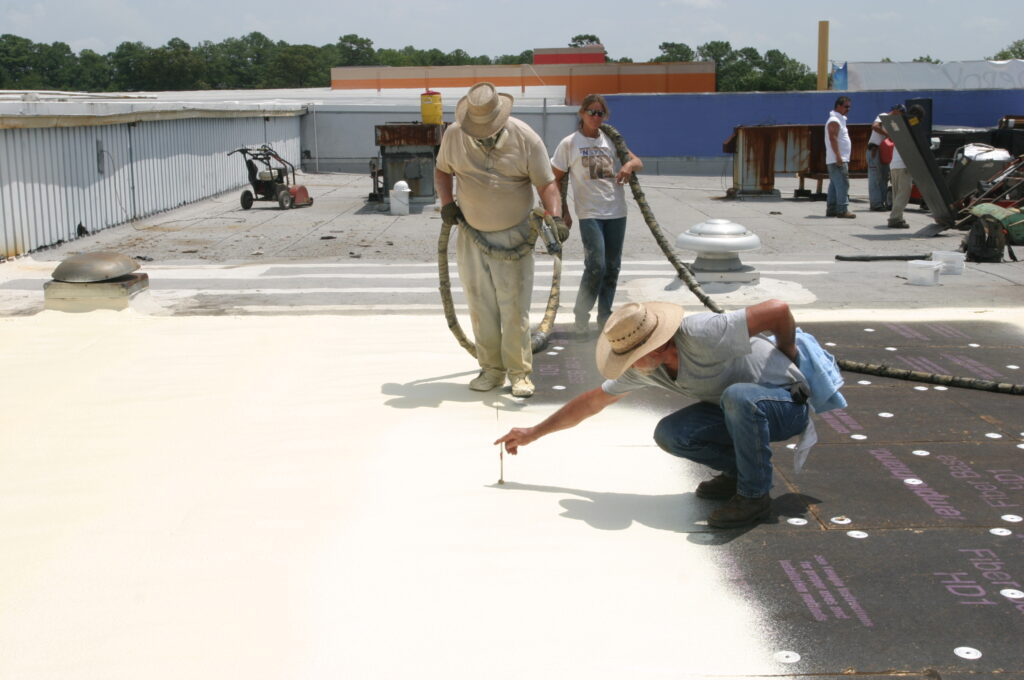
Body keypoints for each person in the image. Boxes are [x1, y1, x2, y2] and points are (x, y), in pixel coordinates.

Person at [495, 299, 845, 529]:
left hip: (786, 402)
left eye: (634, 357)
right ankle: (741, 473)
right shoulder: (644, 368)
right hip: (740, 409)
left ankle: (754, 498)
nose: (628, 366)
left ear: (660, 346)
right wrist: (533, 433)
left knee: (738, 397)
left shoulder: (703, 333)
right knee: (671, 433)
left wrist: (788, 352)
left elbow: (778, 310)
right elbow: (592, 401)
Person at [435, 82, 565, 398]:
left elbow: (546, 183)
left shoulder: (525, 138)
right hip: (471, 233)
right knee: (481, 304)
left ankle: (519, 373)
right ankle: (491, 369)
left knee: (513, 307)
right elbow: (442, 171)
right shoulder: (455, 135)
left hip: (514, 234)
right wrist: (446, 202)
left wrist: (555, 216)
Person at [550, 94, 643, 339]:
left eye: (600, 113)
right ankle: (582, 316)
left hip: (616, 210)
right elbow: (554, 178)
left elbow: (637, 161)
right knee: (596, 265)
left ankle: (605, 317)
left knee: (612, 267)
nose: (595, 117)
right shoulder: (570, 143)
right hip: (589, 212)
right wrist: (562, 212)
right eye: (591, 112)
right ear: (581, 113)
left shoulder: (611, 140)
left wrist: (627, 166)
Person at [867, 104, 904, 211]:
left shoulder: (894, 123)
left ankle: (881, 202)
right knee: (875, 178)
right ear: (896, 111)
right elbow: (875, 126)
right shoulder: (883, 116)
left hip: (885, 151)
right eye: (900, 113)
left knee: (883, 178)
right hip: (875, 149)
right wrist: (887, 134)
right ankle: (875, 204)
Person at [826, 96, 855, 219]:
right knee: (843, 183)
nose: (848, 109)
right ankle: (842, 209)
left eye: (849, 107)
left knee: (834, 185)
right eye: (846, 106)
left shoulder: (839, 119)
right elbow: (833, 138)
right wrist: (838, 157)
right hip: (838, 159)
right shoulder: (834, 120)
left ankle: (832, 209)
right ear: (838, 106)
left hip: (836, 159)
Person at [887, 144, 911, 229]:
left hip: (894, 164)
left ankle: (898, 217)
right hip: (903, 165)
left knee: (897, 194)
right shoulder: (909, 134)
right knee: (903, 193)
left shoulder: (900, 133)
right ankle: (895, 218)